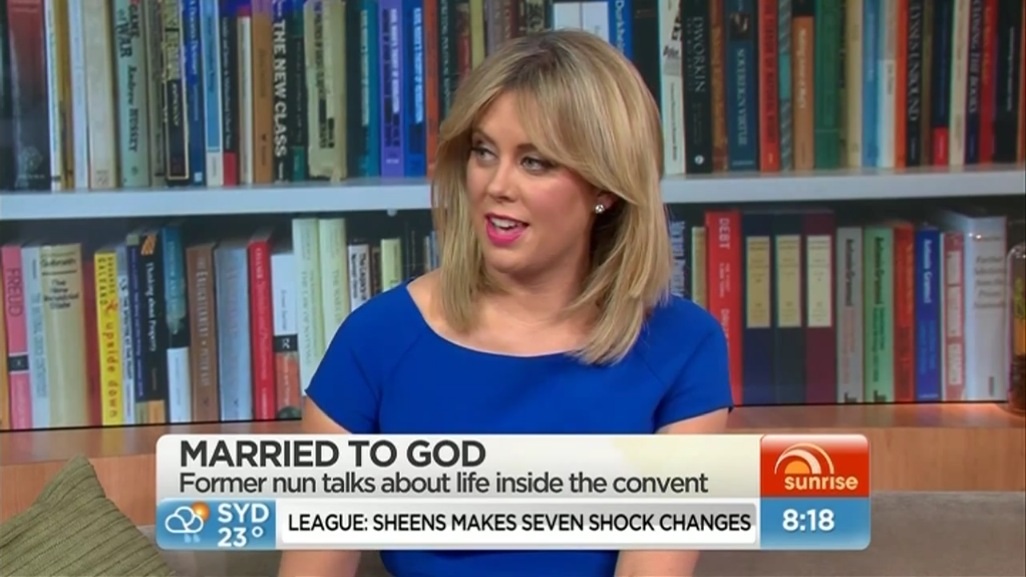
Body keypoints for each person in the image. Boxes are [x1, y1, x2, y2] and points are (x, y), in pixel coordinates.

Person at [278, 28, 734, 577]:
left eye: (535, 162)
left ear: (605, 189)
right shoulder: (376, 342)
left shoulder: (683, 348)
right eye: (484, 151)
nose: (497, 185)